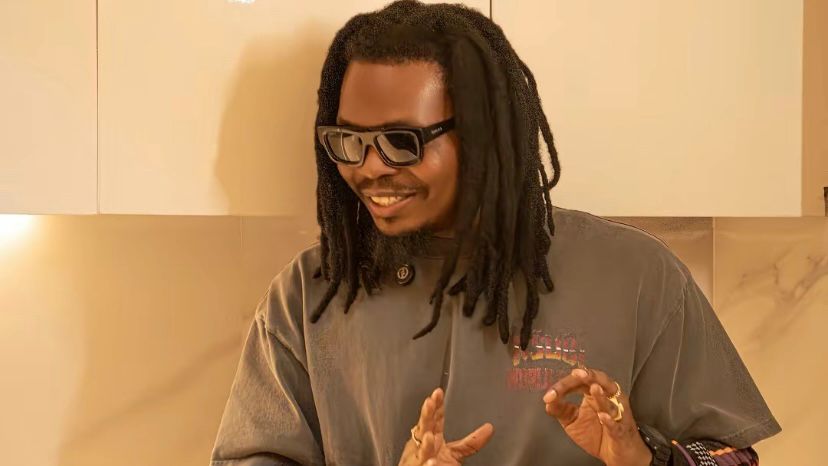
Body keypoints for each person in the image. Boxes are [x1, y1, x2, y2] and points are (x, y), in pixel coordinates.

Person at [209, 1, 781, 465]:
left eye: (402, 142)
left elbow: (734, 457)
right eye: (348, 141)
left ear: (482, 133)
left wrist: (646, 457)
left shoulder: (637, 277)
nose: (370, 167)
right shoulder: (306, 297)